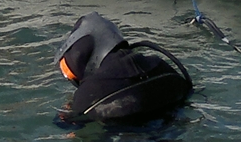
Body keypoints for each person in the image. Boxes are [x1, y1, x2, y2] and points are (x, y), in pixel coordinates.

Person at [54, 12, 193, 124]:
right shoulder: (162, 66)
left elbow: (66, 125)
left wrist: (69, 112)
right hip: (171, 132)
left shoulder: (89, 94)